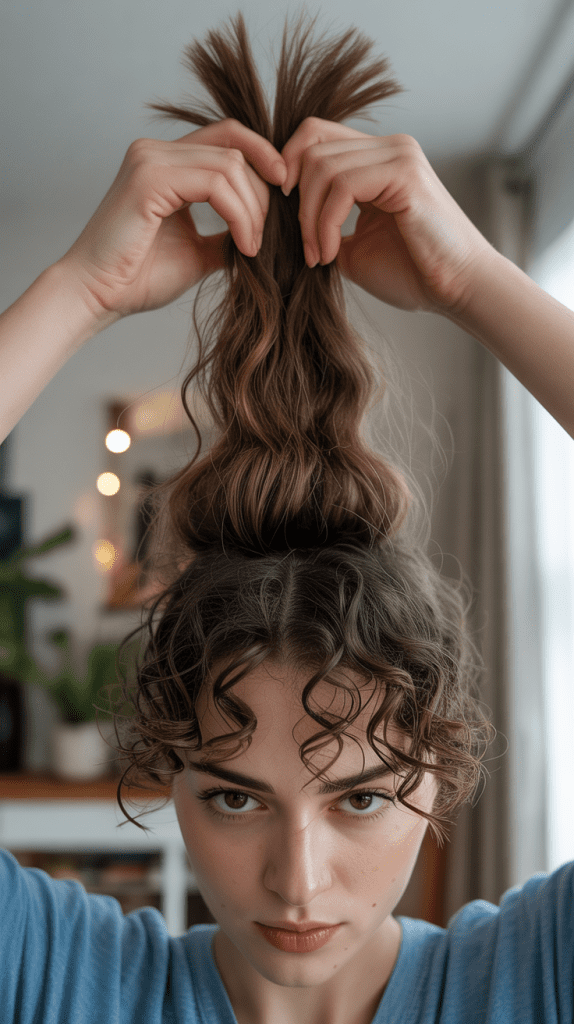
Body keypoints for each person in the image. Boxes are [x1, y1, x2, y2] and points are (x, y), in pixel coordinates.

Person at [1, 11, 573, 1024]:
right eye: (234, 797)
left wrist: (477, 281)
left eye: (361, 796)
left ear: (437, 774)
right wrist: (78, 288)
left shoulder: (533, 979)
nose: (296, 881)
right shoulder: (58, 981)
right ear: (170, 771)